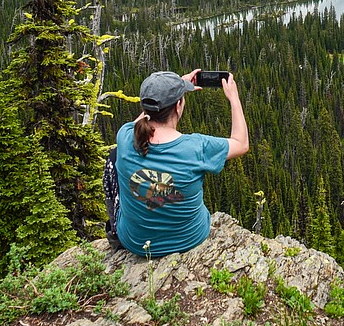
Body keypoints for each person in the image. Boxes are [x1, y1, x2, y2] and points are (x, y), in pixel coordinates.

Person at [104, 69, 249, 257]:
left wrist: (167, 92)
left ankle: (116, 230)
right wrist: (234, 98)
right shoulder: (197, 147)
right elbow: (241, 143)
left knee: (114, 156)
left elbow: (142, 120)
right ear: (178, 106)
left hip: (135, 242)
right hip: (189, 238)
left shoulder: (125, 137)